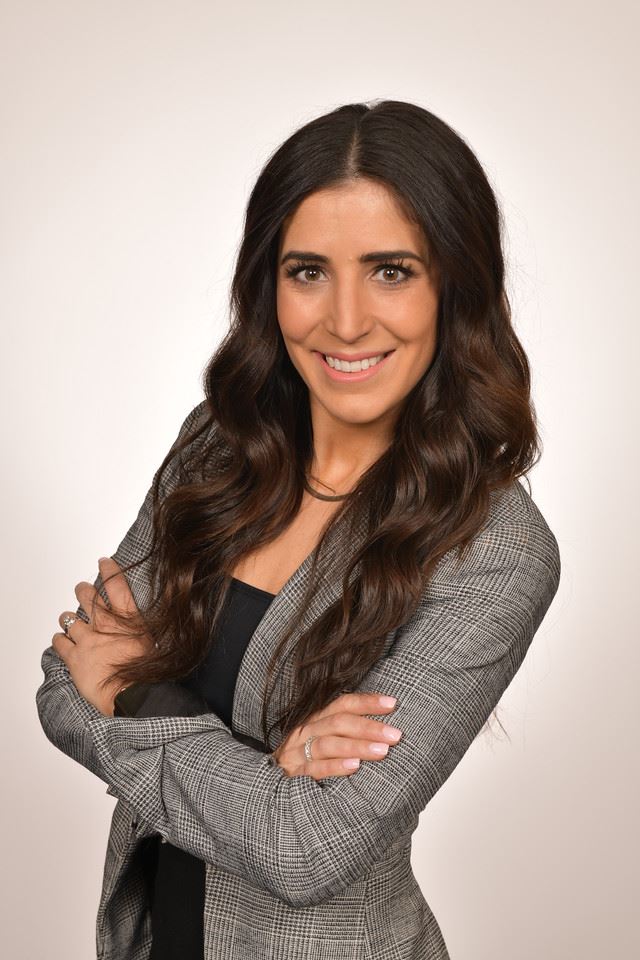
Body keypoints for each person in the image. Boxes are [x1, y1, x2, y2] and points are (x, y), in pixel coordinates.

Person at [36, 98, 561, 960]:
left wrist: (133, 692)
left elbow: (305, 847)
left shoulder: (495, 549)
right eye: (308, 271)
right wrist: (264, 770)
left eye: (391, 270)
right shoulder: (218, 444)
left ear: (455, 287)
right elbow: (63, 682)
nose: (345, 321)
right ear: (267, 285)